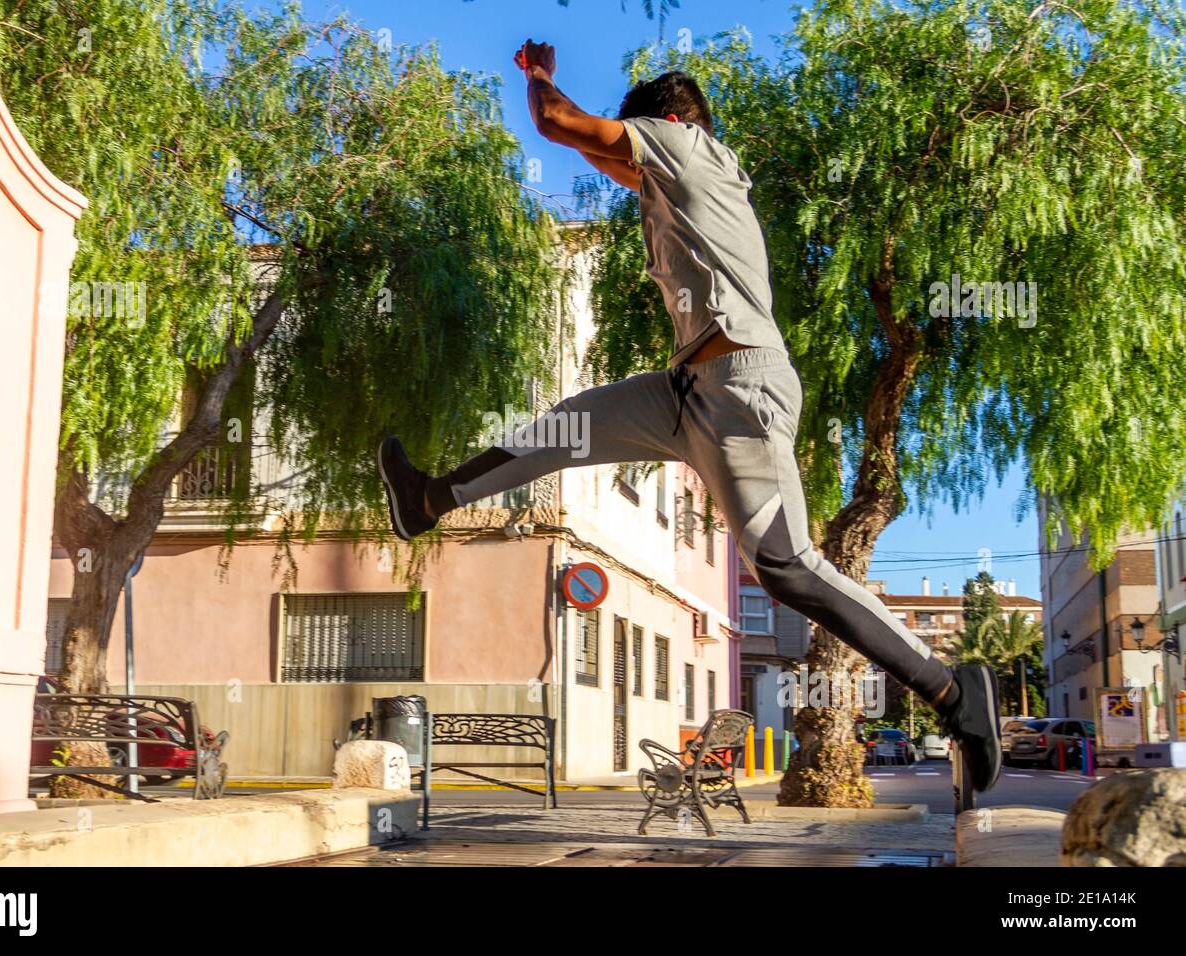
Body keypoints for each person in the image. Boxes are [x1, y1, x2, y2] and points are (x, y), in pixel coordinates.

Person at [377, 40, 1002, 793]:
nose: (635, 168)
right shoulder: (674, 182)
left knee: (787, 568)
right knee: (566, 426)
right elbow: (604, 155)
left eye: (642, 141)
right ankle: (429, 499)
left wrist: (540, 76)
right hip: (686, 389)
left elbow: (564, 129)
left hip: (742, 388)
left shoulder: (689, 145)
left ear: (669, 122)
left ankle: (952, 690)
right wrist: (579, 116)